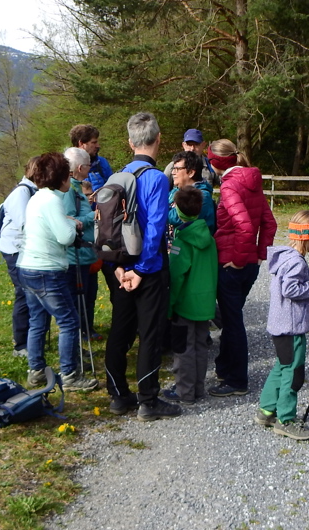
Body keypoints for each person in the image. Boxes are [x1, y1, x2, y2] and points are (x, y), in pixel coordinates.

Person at [103, 112, 182, 421]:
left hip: (119, 266)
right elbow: (155, 229)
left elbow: (106, 230)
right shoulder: (156, 179)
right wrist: (143, 269)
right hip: (147, 268)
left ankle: (118, 395)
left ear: (129, 142)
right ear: (158, 139)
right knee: (150, 332)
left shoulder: (115, 178)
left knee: (119, 330)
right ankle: (148, 399)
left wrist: (118, 270)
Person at [19, 152, 99, 392]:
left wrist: (66, 222)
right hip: (47, 270)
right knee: (69, 320)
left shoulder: (37, 197)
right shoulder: (53, 200)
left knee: (37, 320)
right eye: (68, 174)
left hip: (27, 266)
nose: (70, 178)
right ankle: (70, 375)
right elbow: (65, 236)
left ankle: (36, 371)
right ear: (61, 177)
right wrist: (73, 224)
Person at [207, 138, 278, 397]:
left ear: (215, 163)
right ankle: (225, 366)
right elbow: (269, 224)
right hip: (249, 265)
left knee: (233, 321)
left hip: (232, 264)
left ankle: (237, 380)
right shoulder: (253, 182)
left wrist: (237, 259)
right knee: (231, 316)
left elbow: (246, 227)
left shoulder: (229, 187)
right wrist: (258, 256)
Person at [256, 210, 309, 440]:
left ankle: (267, 410)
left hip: (280, 325)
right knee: (294, 373)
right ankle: (285, 420)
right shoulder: (296, 262)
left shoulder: (285, 256)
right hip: (292, 327)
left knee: (281, 366)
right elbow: (291, 289)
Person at [163, 187, 217, 405]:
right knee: (201, 346)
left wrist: (169, 306)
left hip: (185, 304)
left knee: (183, 349)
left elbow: (176, 278)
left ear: (177, 209)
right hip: (204, 303)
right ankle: (198, 388)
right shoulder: (210, 239)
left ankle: (185, 392)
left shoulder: (181, 242)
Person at [0, 158, 41, 358]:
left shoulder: (32, 191)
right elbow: (27, 223)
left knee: (30, 293)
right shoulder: (22, 193)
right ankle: (20, 343)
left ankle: (32, 339)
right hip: (15, 250)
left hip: (24, 249)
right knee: (23, 294)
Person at [63, 146, 100, 342]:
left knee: (88, 295)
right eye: (87, 165)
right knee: (79, 299)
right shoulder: (69, 190)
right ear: (79, 167)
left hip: (86, 254)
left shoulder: (76, 186)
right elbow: (70, 219)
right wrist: (93, 215)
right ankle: (77, 339)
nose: (90, 169)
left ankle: (85, 330)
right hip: (76, 255)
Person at [167, 150, 215, 234]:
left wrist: (160, 211)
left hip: (194, 245)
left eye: (177, 169)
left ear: (191, 172)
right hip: (177, 244)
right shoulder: (175, 191)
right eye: (173, 169)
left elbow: (178, 218)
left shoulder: (201, 196)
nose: (173, 172)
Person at [70, 124, 113, 193]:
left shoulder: (102, 162)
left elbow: (113, 188)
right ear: (81, 144)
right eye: (93, 142)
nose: (98, 146)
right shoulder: (67, 167)